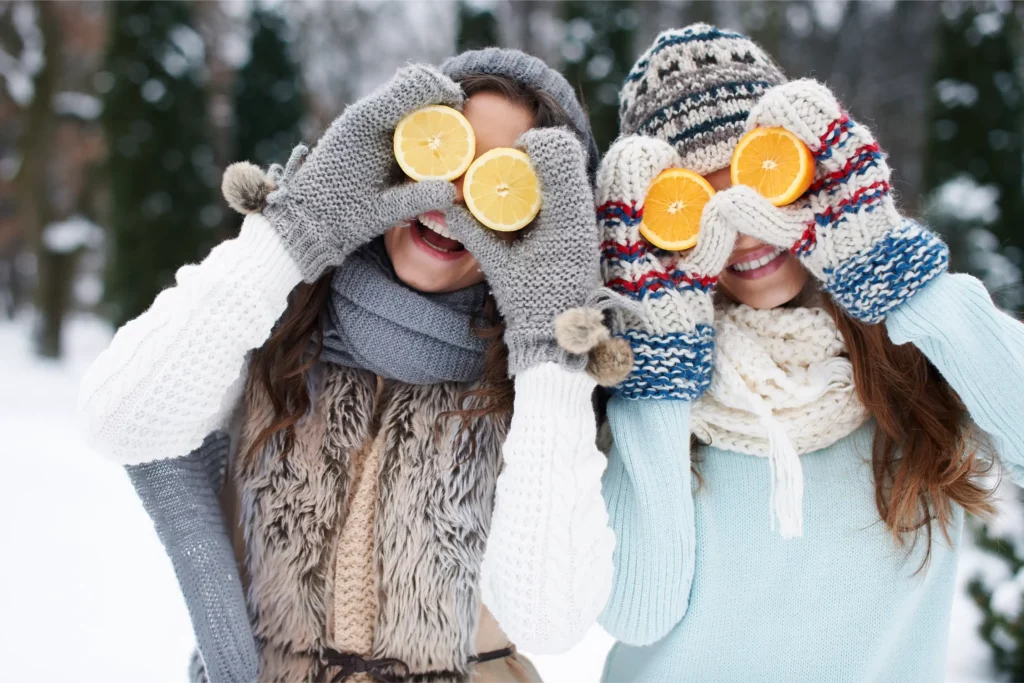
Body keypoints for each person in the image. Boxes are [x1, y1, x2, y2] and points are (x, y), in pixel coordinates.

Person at [79, 48, 616, 683]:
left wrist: (549, 349)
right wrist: (295, 231)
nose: (448, 202)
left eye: (499, 185)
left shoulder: (548, 388)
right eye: (442, 153)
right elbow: (120, 422)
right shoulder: (272, 312)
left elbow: (549, 621)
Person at [595, 24, 1024, 682]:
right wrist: (658, 367)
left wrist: (890, 271)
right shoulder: (643, 388)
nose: (737, 227)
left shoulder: (921, 355)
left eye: (757, 179)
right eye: (696, 202)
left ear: (812, 174)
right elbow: (635, 610)